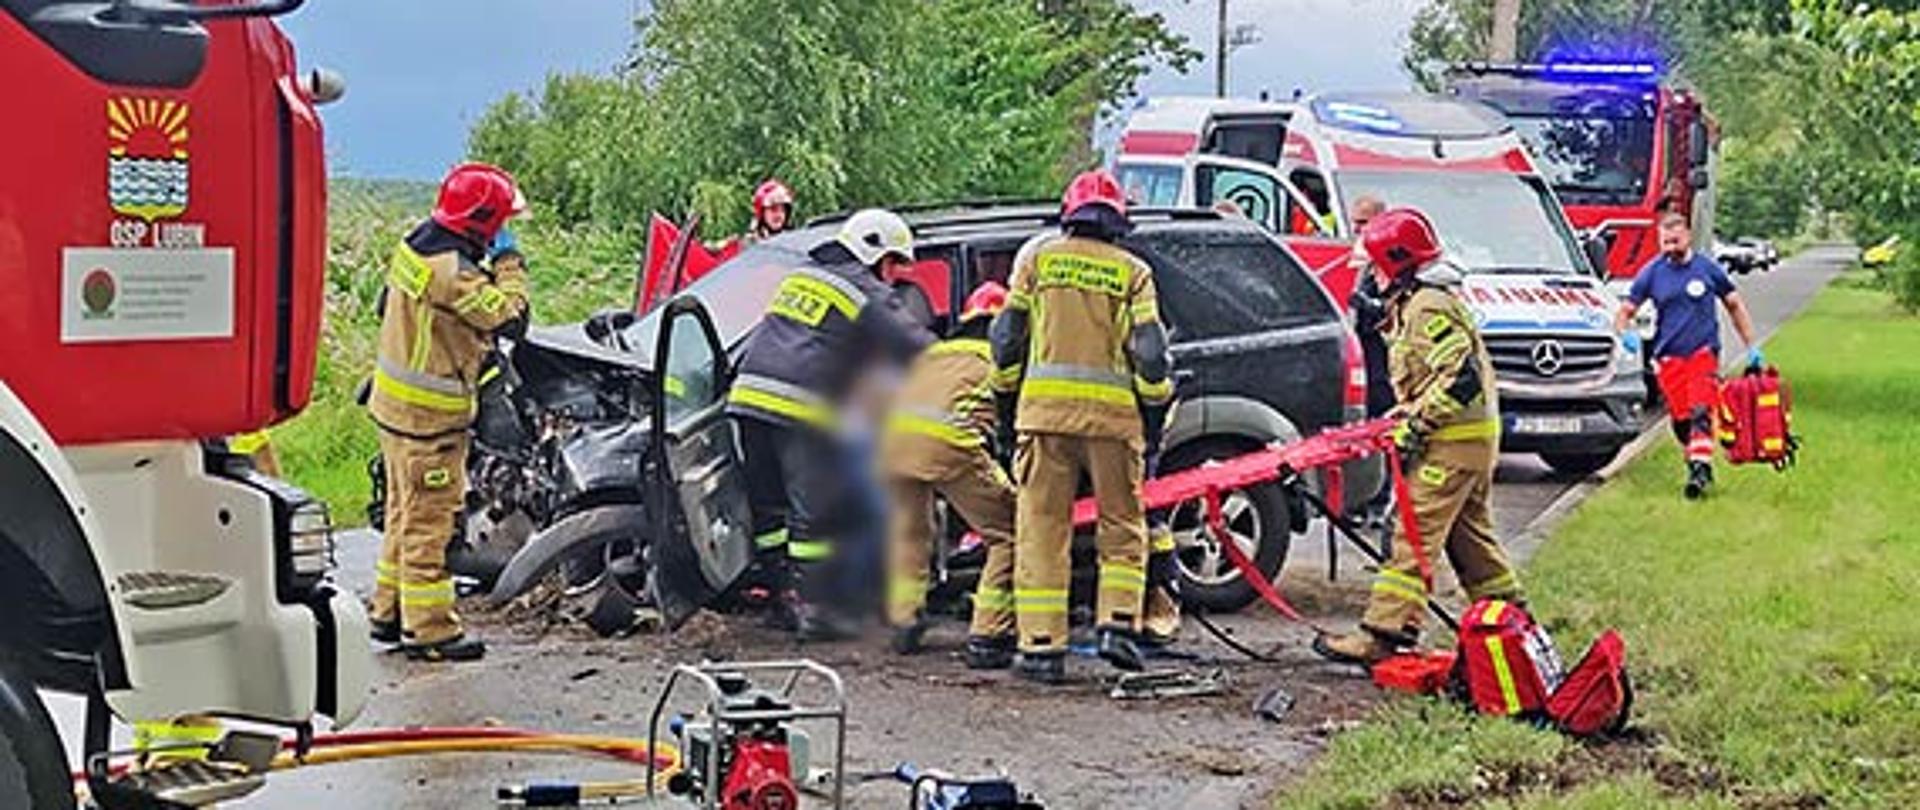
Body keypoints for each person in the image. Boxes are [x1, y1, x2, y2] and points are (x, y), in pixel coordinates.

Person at [1314, 207, 1523, 665]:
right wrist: (1401, 415)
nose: (1370, 274)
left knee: (1410, 536)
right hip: (1465, 445)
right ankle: (1515, 623)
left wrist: (1416, 425)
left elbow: (1461, 377)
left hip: (1450, 447)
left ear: (1395, 262)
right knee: (1472, 542)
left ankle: (1384, 635)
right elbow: (1434, 380)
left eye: (1374, 266)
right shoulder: (1416, 303)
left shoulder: (1429, 305)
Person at [990, 169, 1174, 684]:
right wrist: (1154, 416)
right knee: (1122, 525)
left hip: (1043, 418)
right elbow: (1152, 355)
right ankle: (1117, 625)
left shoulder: (1036, 259)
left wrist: (1006, 409)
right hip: (1115, 421)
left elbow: (1006, 339)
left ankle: (1041, 649)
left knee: (1042, 530)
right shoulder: (1133, 271)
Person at [727, 208, 935, 640]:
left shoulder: (803, 276)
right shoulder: (861, 287)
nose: (893, 276)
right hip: (798, 407)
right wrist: (964, 359)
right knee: (812, 514)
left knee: (769, 510)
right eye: (892, 263)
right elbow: (912, 343)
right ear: (872, 251)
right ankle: (816, 612)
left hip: (748, 399)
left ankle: (781, 599)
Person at [366, 162, 531, 662]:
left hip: (395, 409)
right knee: (429, 525)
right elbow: (509, 315)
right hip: (429, 422)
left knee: (403, 513)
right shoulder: (453, 274)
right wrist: (510, 264)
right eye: (502, 221)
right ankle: (431, 630)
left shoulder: (419, 244)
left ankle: (389, 611)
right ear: (482, 222)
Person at [881, 282, 1021, 668]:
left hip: (893, 444)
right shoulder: (1000, 357)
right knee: (1007, 533)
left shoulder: (935, 352)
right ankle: (988, 633)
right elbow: (1016, 424)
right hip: (948, 444)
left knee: (910, 533)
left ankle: (904, 620)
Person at [1614, 209, 1761, 499]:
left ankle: (1699, 470)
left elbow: (1734, 305)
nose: (1670, 248)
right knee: (1682, 421)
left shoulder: (1707, 269)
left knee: (1700, 412)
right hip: (1669, 358)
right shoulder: (1652, 272)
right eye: (1665, 243)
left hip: (1702, 353)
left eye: (1675, 242)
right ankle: (1696, 460)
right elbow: (1626, 311)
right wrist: (1625, 334)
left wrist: (1751, 346)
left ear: (1687, 237)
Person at [1345, 195, 1397, 526]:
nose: (1355, 229)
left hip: (1386, 362)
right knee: (1364, 433)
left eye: (1362, 223)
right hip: (1366, 358)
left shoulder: (1393, 258)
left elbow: (1395, 311)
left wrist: (1369, 305)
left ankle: (1380, 501)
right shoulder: (1365, 258)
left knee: (1386, 432)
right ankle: (1362, 500)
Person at [747, 179, 795, 244]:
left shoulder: (794, 241)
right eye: (773, 209)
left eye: (783, 210)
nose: (779, 215)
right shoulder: (749, 245)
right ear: (762, 213)